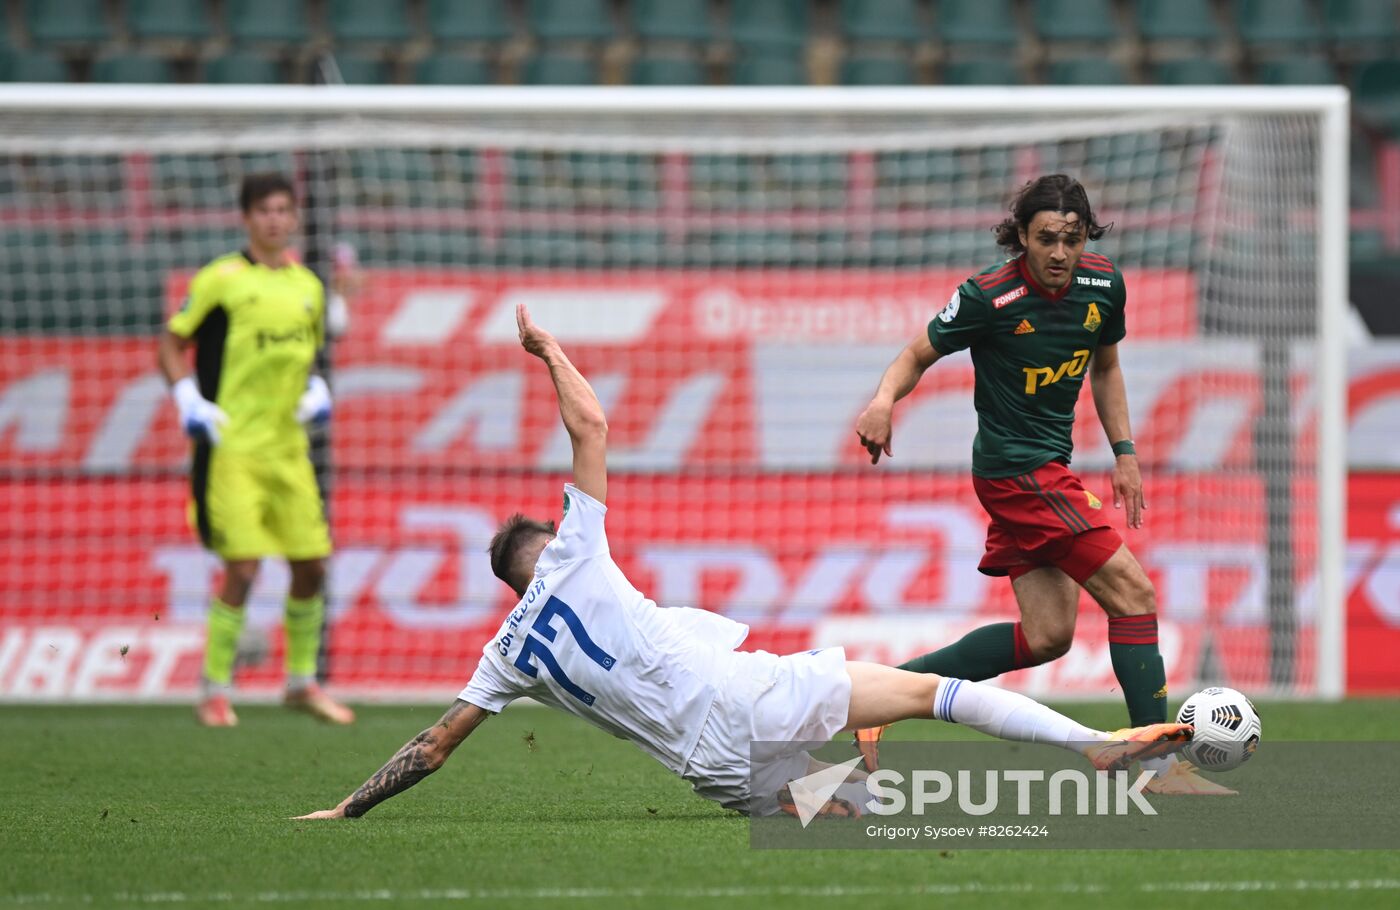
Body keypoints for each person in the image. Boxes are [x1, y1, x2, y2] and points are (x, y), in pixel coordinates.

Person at [294, 304, 1190, 823]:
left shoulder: (505, 653)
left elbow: (434, 746)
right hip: (746, 691)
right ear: (547, 544)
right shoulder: (573, 552)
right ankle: (1097, 745)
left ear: (508, 587)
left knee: (869, 822)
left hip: (712, 767)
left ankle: (942, 804)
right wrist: (549, 352)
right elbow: (591, 427)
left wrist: (348, 808)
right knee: (931, 694)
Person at [852, 174, 1225, 795]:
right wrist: (883, 400)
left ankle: (877, 697)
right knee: (1134, 594)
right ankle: (1157, 768)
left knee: (1047, 636)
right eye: (1046, 238)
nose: (1059, 252)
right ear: (1020, 237)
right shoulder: (987, 296)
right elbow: (917, 353)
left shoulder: (1104, 285)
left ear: (1086, 239)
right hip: (1018, 473)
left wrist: (1125, 452)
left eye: (1072, 239)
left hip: (1047, 467)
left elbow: (1106, 368)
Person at [157, 171, 354, 728]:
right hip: (232, 447)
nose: (274, 219)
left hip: (288, 449)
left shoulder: (308, 287)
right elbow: (171, 345)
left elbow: (307, 357)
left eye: (283, 210)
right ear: (246, 218)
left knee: (312, 565)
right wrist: (187, 398)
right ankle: (214, 690)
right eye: (263, 210)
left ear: (294, 218)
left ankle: (300, 683)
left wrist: (316, 388)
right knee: (243, 568)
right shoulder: (222, 279)